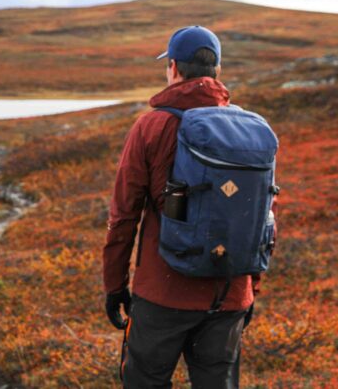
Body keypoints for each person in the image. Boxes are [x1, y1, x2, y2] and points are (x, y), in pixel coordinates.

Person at [102, 25, 258, 389]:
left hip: (162, 292)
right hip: (230, 291)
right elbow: (263, 215)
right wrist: (250, 288)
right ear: (217, 70)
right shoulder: (250, 130)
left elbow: (124, 216)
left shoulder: (151, 126)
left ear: (173, 67)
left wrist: (114, 286)